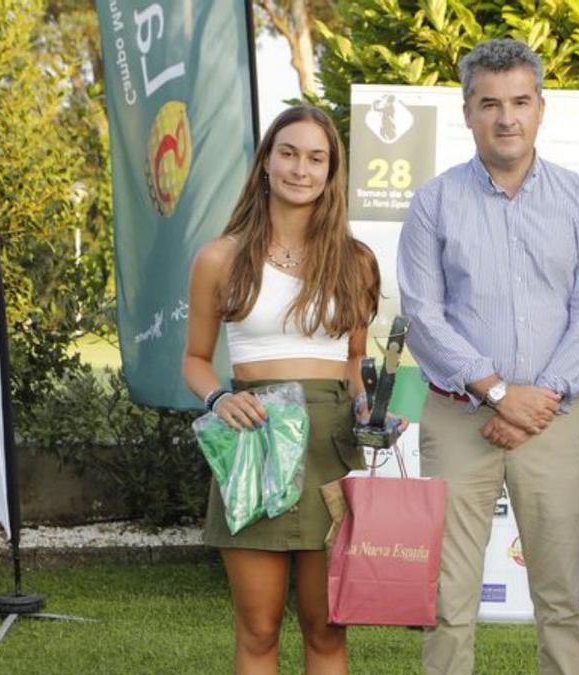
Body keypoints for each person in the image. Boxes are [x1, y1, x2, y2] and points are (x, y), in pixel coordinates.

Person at [397, 38, 579, 675]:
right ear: (467, 112)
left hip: (553, 420)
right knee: (448, 599)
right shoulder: (433, 203)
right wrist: (496, 392)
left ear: (541, 108)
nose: (506, 117)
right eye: (489, 103)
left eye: (520, 101)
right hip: (459, 418)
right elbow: (423, 316)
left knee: (560, 597)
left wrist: (533, 402)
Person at [183, 105, 383, 674]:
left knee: (327, 628)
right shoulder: (220, 258)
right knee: (259, 628)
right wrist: (219, 399)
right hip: (254, 444)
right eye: (289, 153)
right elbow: (196, 360)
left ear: (331, 171)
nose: (301, 168)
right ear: (267, 163)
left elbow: (353, 360)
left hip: (332, 447)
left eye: (316, 158)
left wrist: (368, 406)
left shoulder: (356, 262)